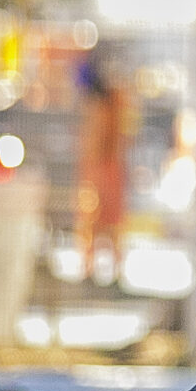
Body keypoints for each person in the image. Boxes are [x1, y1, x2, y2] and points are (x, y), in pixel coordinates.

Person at [75, 52, 133, 285]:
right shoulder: (111, 104)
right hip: (103, 170)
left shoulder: (105, 106)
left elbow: (101, 142)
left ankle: (106, 268)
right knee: (101, 221)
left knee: (102, 220)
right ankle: (95, 268)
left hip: (103, 171)